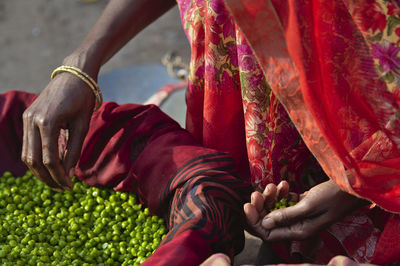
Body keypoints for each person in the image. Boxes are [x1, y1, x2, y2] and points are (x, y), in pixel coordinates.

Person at [15, 0, 400, 265]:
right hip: (276, 138)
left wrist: (363, 180)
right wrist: (81, 63)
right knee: (273, 224)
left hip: (380, 146)